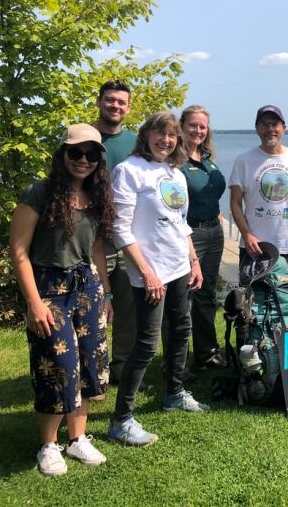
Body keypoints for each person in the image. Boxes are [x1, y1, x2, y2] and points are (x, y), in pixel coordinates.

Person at [10, 124, 114, 475]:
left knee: (87, 366)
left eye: (91, 154)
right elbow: (19, 251)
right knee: (57, 367)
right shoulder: (39, 192)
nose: (83, 160)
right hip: (49, 287)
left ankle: (77, 439)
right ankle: (48, 445)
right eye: (75, 153)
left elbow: (97, 247)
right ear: (63, 155)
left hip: (88, 286)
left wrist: (107, 293)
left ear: (99, 159)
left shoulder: (98, 195)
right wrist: (34, 302)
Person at [108, 111, 208, 447]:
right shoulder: (128, 171)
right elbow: (120, 229)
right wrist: (148, 274)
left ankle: (174, 393)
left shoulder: (174, 173)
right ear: (146, 135)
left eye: (172, 136)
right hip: (149, 273)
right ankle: (121, 420)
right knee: (147, 345)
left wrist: (193, 260)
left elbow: (180, 223)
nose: (166, 141)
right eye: (159, 134)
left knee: (182, 330)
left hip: (179, 266)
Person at [91, 80, 138, 387]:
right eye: (110, 100)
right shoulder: (84, 137)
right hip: (89, 240)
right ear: (99, 102)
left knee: (128, 310)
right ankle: (94, 369)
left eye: (121, 102)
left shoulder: (135, 142)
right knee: (94, 308)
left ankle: (121, 367)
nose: (115, 106)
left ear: (128, 108)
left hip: (128, 240)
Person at [229, 105, 288, 262]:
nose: (270, 129)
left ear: (283, 128)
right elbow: (235, 203)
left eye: (274, 124)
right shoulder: (243, 160)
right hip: (255, 246)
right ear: (257, 129)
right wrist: (247, 234)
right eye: (264, 124)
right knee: (254, 287)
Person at [179, 105, 227, 370]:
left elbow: (209, 194)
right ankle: (179, 362)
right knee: (185, 297)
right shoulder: (175, 160)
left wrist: (216, 214)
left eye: (202, 126)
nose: (198, 130)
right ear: (182, 126)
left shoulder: (207, 158)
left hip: (214, 232)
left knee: (206, 295)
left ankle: (207, 354)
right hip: (189, 235)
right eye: (193, 125)